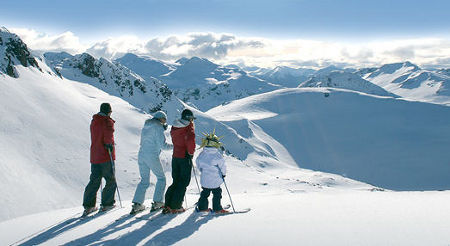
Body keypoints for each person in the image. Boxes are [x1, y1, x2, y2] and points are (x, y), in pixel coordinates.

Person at [130, 111, 172, 214]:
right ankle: (158, 202)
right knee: (161, 178)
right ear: (160, 119)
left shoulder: (146, 126)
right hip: (151, 155)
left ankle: (137, 205)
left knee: (144, 180)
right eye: (164, 119)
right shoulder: (158, 127)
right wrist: (175, 146)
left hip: (141, 155)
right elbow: (163, 146)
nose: (165, 122)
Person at [82, 103, 117, 216]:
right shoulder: (107, 122)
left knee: (94, 181)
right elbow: (108, 138)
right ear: (108, 111)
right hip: (106, 156)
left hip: (95, 155)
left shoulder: (94, 121)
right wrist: (110, 146)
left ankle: (89, 206)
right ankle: (107, 204)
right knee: (110, 180)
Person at [163, 109, 196, 214]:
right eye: (191, 118)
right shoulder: (188, 127)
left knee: (176, 181)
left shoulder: (175, 126)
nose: (192, 120)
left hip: (175, 156)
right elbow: (190, 141)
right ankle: (176, 206)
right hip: (184, 156)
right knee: (183, 182)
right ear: (188, 118)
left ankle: (168, 204)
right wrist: (191, 153)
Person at [195, 130, 229, 214]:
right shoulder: (217, 155)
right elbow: (222, 166)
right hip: (215, 179)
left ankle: (202, 208)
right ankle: (217, 208)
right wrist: (224, 174)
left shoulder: (202, 154)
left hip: (205, 179)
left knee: (204, 193)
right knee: (217, 193)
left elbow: (198, 163)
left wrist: (202, 170)